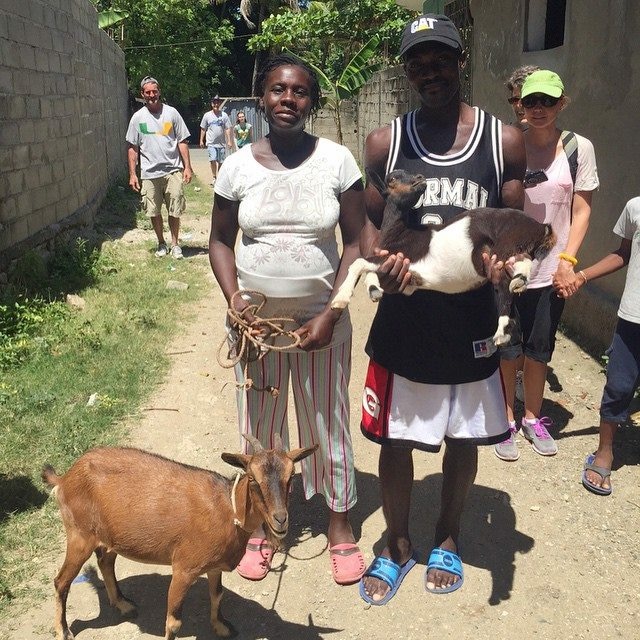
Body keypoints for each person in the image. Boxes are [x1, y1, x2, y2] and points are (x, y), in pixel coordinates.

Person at [358, 13, 526, 604]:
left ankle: (448, 537)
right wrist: (382, 262)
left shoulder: (502, 142)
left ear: (461, 61)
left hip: (471, 320)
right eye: (417, 63)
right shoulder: (385, 142)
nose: (429, 71)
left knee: (463, 438)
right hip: (405, 319)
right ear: (406, 72)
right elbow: (368, 229)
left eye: (440, 59)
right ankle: (396, 545)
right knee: (395, 439)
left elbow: (514, 228)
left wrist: (506, 266)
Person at [208, 54, 367, 586]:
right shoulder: (237, 166)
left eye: (300, 91)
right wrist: (236, 304)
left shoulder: (337, 161)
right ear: (262, 97)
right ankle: (260, 529)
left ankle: (339, 524)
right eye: (278, 89)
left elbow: (356, 242)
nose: (288, 99)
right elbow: (219, 241)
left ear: (312, 102)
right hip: (257, 331)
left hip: (322, 325)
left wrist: (332, 311)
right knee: (261, 431)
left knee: (327, 422)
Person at [495, 70, 599, 462]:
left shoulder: (578, 148)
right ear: (520, 103)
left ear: (561, 103)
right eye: (531, 101)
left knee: (539, 350)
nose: (539, 108)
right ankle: (506, 419)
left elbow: (582, 209)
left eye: (548, 101)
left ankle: (532, 418)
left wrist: (568, 262)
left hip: (552, 269)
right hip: (510, 269)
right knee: (508, 350)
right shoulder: (508, 146)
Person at [559, 197, 640, 495]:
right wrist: (582, 276)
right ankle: (605, 451)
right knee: (619, 385)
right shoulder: (635, 207)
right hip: (634, 317)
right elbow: (623, 253)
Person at [126, 76, 193, 259]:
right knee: (153, 211)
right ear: (142, 94)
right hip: (149, 173)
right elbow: (133, 147)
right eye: (148, 92)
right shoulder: (137, 118)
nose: (151, 95)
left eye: (154, 91)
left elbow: (182, 141)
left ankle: (175, 244)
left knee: (175, 209)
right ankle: (161, 243)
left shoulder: (171, 113)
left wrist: (187, 167)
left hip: (172, 170)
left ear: (159, 92)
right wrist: (133, 174)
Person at [199, 95, 233, 185]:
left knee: (221, 162)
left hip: (221, 143)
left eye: (217, 103)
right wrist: (201, 140)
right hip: (211, 143)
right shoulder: (207, 115)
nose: (216, 105)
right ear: (211, 104)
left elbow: (227, 128)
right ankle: (214, 177)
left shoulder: (224, 115)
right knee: (212, 160)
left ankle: (220, 178)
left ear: (220, 104)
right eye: (214, 103)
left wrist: (229, 140)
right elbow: (203, 128)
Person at [505, 64, 540, 129]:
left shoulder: (559, 135)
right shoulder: (503, 134)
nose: (519, 105)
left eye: (527, 99)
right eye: (515, 99)